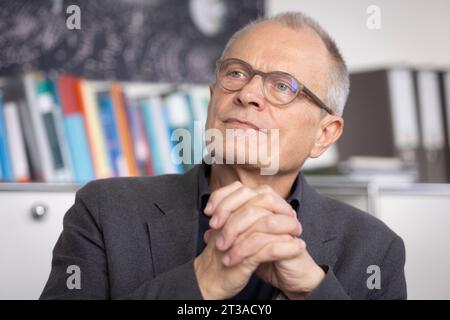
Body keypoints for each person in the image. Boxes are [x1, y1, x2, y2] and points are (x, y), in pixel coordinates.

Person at [40, 12, 407, 300]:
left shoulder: (374, 247)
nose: (247, 93)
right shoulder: (104, 210)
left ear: (324, 134)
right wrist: (203, 281)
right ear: (214, 95)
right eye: (236, 72)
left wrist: (312, 290)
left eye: (282, 85)